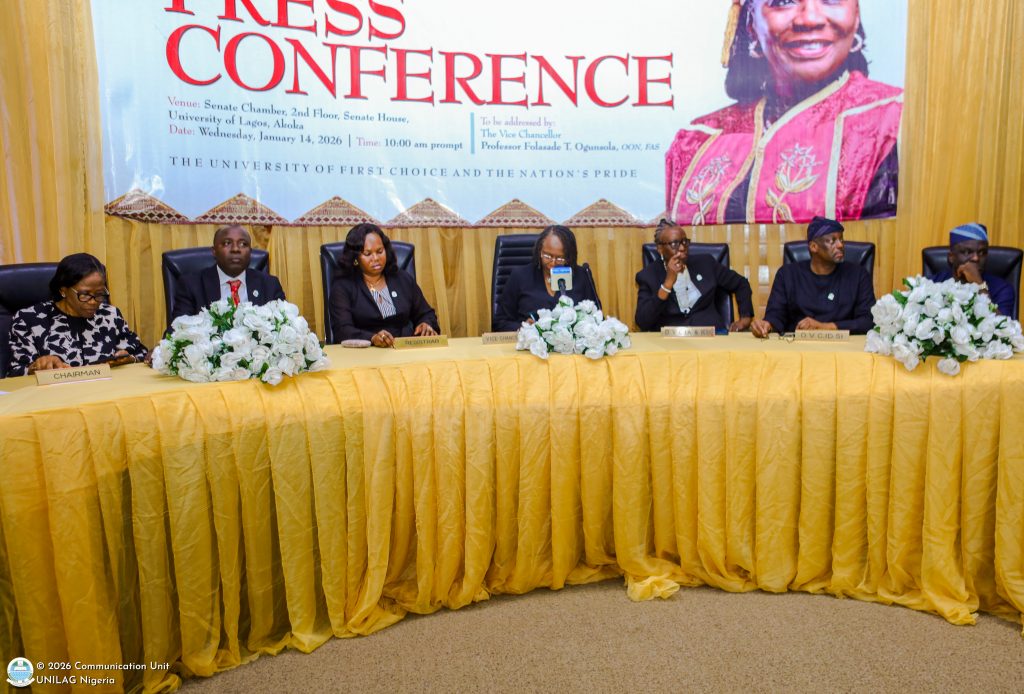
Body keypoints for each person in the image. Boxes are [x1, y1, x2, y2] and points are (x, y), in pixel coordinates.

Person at [666, 0, 902, 226]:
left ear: (856, 14)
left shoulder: (893, 119)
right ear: (751, 24)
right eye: (783, 1)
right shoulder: (698, 140)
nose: (810, 19)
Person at [8, 253, 147, 376]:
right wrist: (36, 367)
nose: (93, 302)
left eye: (99, 294)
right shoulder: (29, 319)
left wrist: (130, 359)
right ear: (63, 290)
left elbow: (142, 354)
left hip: (105, 391)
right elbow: (15, 373)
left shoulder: (110, 315)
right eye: (85, 294)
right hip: (57, 394)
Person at [751, 216, 874, 336]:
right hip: (797, 346)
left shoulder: (858, 275)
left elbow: (868, 321)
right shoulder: (787, 275)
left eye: (841, 240)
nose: (840, 245)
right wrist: (766, 325)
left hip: (844, 346)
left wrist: (824, 327)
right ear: (814, 247)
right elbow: (776, 316)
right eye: (833, 241)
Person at [328, 223, 439, 346]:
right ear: (355, 258)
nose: (376, 258)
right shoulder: (343, 287)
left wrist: (426, 324)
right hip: (367, 352)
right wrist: (372, 338)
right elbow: (342, 330)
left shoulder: (402, 278)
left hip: (405, 348)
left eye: (380, 251)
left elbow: (426, 313)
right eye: (368, 254)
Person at [635, 219, 754, 331]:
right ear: (660, 248)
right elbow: (643, 322)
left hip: (711, 335)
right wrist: (667, 284)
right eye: (674, 244)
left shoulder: (706, 263)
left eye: (684, 242)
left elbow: (741, 283)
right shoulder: (648, 276)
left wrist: (745, 319)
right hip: (671, 339)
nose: (682, 248)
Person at [169, 224, 285, 325]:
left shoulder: (269, 285)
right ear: (214, 251)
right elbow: (177, 331)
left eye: (243, 244)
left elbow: (285, 326)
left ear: (250, 252)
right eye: (227, 243)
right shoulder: (192, 285)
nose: (235, 249)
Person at [493, 225, 601, 332]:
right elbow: (499, 323)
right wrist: (523, 327)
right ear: (539, 251)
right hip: (529, 341)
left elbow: (597, 318)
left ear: (569, 257)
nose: (552, 263)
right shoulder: (520, 276)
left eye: (560, 258)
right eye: (547, 256)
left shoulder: (582, 276)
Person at [929, 223, 1015, 318]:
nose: (976, 258)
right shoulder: (934, 282)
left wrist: (979, 284)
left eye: (982, 252)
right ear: (951, 257)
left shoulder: (1002, 288)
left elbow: (1004, 326)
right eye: (967, 252)